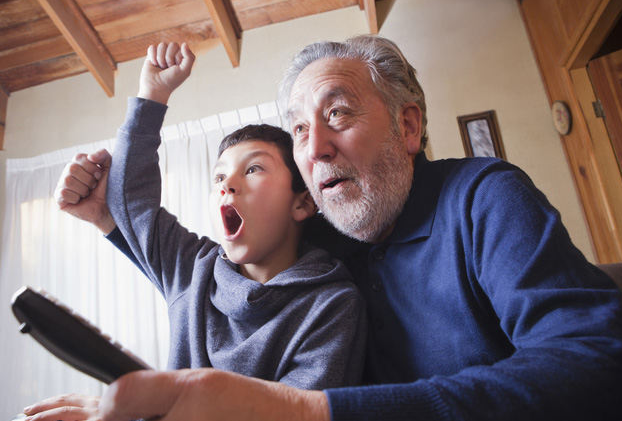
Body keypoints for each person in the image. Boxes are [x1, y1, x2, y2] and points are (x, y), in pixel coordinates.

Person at [55, 35, 622, 421]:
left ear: (408, 128)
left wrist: (308, 412)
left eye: (337, 113)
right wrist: (109, 219)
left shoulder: (485, 198)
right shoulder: (329, 231)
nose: (318, 147)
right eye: (301, 131)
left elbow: (595, 361)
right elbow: (225, 273)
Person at [23, 41, 367, 420]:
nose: (226, 184)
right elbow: (129, 203)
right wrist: (153, 94)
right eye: (219, 175)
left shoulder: (333, 305)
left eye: (253, 169)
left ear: (302, 203)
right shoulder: (195, 269)